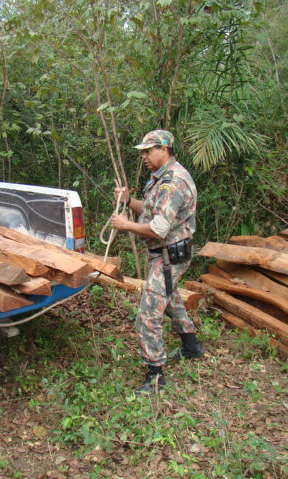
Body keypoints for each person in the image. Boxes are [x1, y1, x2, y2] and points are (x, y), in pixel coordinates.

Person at [111, 129, 204, 395]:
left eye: (148, 151)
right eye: (142, 152)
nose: (144, 157)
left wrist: (126, 225)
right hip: (166, 254)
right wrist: (128, 201)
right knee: (171, 299)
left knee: (147, 315)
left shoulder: (172, 182)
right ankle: (191, 346)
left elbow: (159, 228)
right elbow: (151, 211)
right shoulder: (161, 179)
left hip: (169, 256)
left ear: (164, 149)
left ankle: (155, 375)